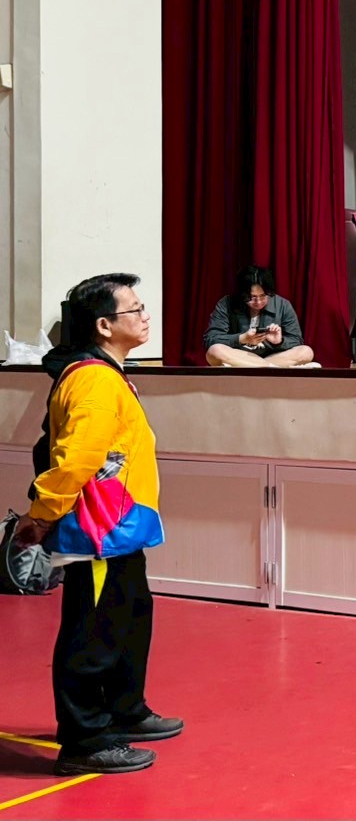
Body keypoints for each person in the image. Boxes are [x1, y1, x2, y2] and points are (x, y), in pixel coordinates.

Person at [12, 274, 182, 775]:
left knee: (130, 620)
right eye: (135, 309)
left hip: (123, 527)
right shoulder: (93, 380)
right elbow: (76, 458)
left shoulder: (110, 374)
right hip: (97, 532)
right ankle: (85, 738)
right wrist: (41, 516)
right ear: (105, 325)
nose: (145, 316)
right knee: (94, 633)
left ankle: (125, 711)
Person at [202, 265, 317, 368]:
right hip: (239, 355)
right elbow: (211, 339)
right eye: (252, 297)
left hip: (274, 357)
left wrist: (279, 341)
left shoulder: (283, 305)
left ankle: (256, 367)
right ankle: (269, 368)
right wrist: (242, 339)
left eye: (263, 296)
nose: (258, 302)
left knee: (306, 351)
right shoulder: (226, 303)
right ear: (242, 294)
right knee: (214, 351)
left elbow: (297, 340)